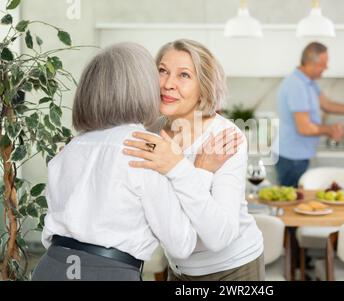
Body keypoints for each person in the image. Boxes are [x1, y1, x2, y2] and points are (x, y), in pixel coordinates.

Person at [31, 43, 239, 281]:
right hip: (109, 273)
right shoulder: (145, 147)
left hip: (50, 267)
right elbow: (182, 244)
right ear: (143, 88)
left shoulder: (69, 149)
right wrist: (200, 172)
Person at [122, 39, 265, 281]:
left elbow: (220, 235)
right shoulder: (150, 132)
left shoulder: (224, 138)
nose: (168, 84)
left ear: (204, 86)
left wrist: (181, 169)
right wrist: (201, 171)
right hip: (179, 269)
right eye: (163, 71)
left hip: (233, 269)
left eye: (184, 75)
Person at [272, 42, 344, 187]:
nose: (326, 67)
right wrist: (330, 130)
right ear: (310, 63)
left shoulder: (309, 83)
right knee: (291, 203)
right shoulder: (297, 85)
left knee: (298, 200)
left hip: (298, 156)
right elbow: (305, 128)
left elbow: (327, 105)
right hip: (291, 158)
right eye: (323, 63)